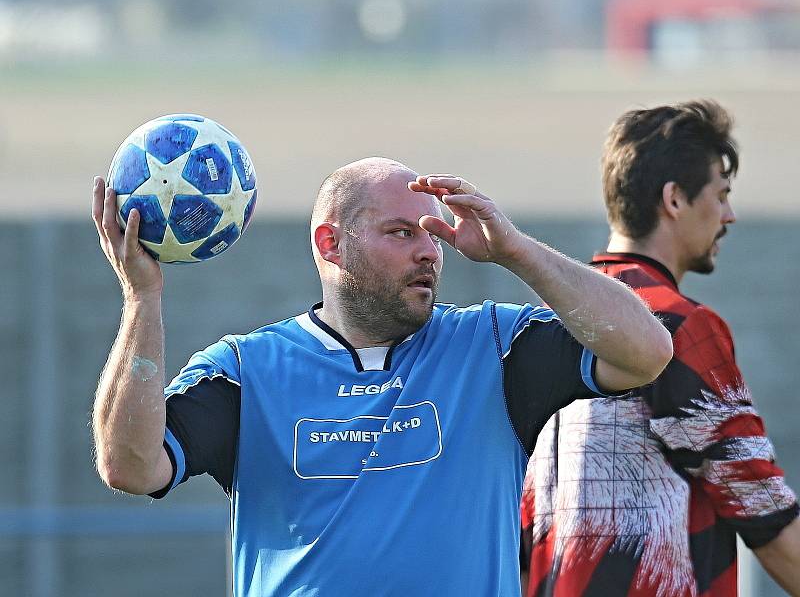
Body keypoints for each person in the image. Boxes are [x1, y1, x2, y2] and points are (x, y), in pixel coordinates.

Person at [91, 156, 671, 596]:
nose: (431, 250)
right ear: (332, 244)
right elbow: (132, 467)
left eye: (432, 232)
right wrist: (142, 299)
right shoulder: (247, 371)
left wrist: (516, 250)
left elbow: (646, 352)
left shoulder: (492, 347)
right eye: (402, 232)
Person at [520, 101, 800, 597]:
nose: (729, 215)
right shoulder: (678, 325)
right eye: (721, 194)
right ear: (674, 199)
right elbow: (764, 513)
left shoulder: (543, 321)